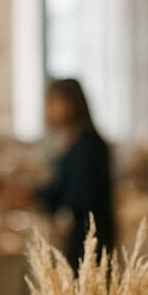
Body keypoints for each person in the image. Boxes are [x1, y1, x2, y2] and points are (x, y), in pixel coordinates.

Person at [38, 78, 114, 268]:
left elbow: (80, 197)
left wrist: (44, 199)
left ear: (70, 103)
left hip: (90, 239)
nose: (49, 110)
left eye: (53, 102)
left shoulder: (87, 146)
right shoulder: (77, 143)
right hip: (85, 237)